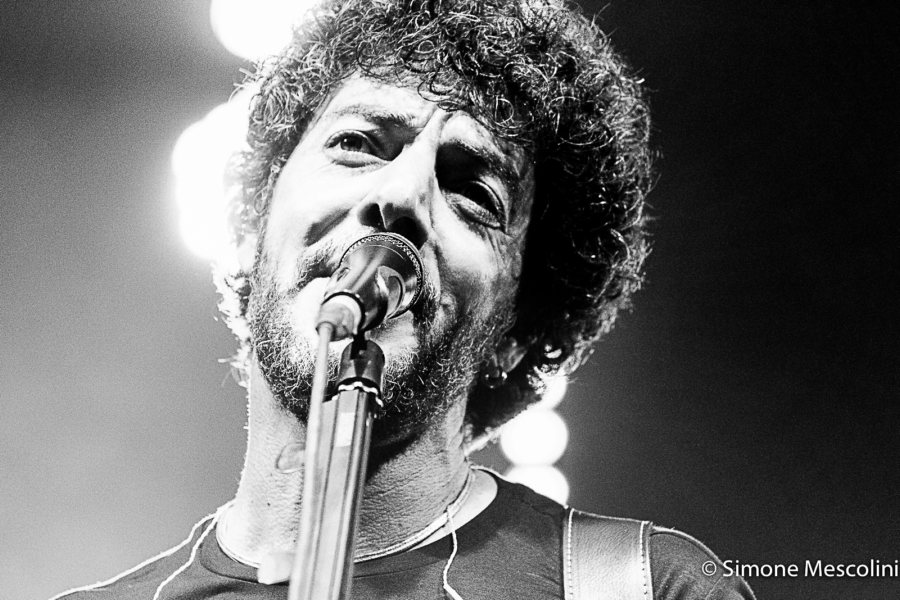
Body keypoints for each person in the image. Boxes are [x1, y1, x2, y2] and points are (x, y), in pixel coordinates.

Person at [53, 0, 755, 598]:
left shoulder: (646, 587)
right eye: (358, 144)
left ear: (518, 330)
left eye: (473, 192)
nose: (400, 194)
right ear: (249, 227)